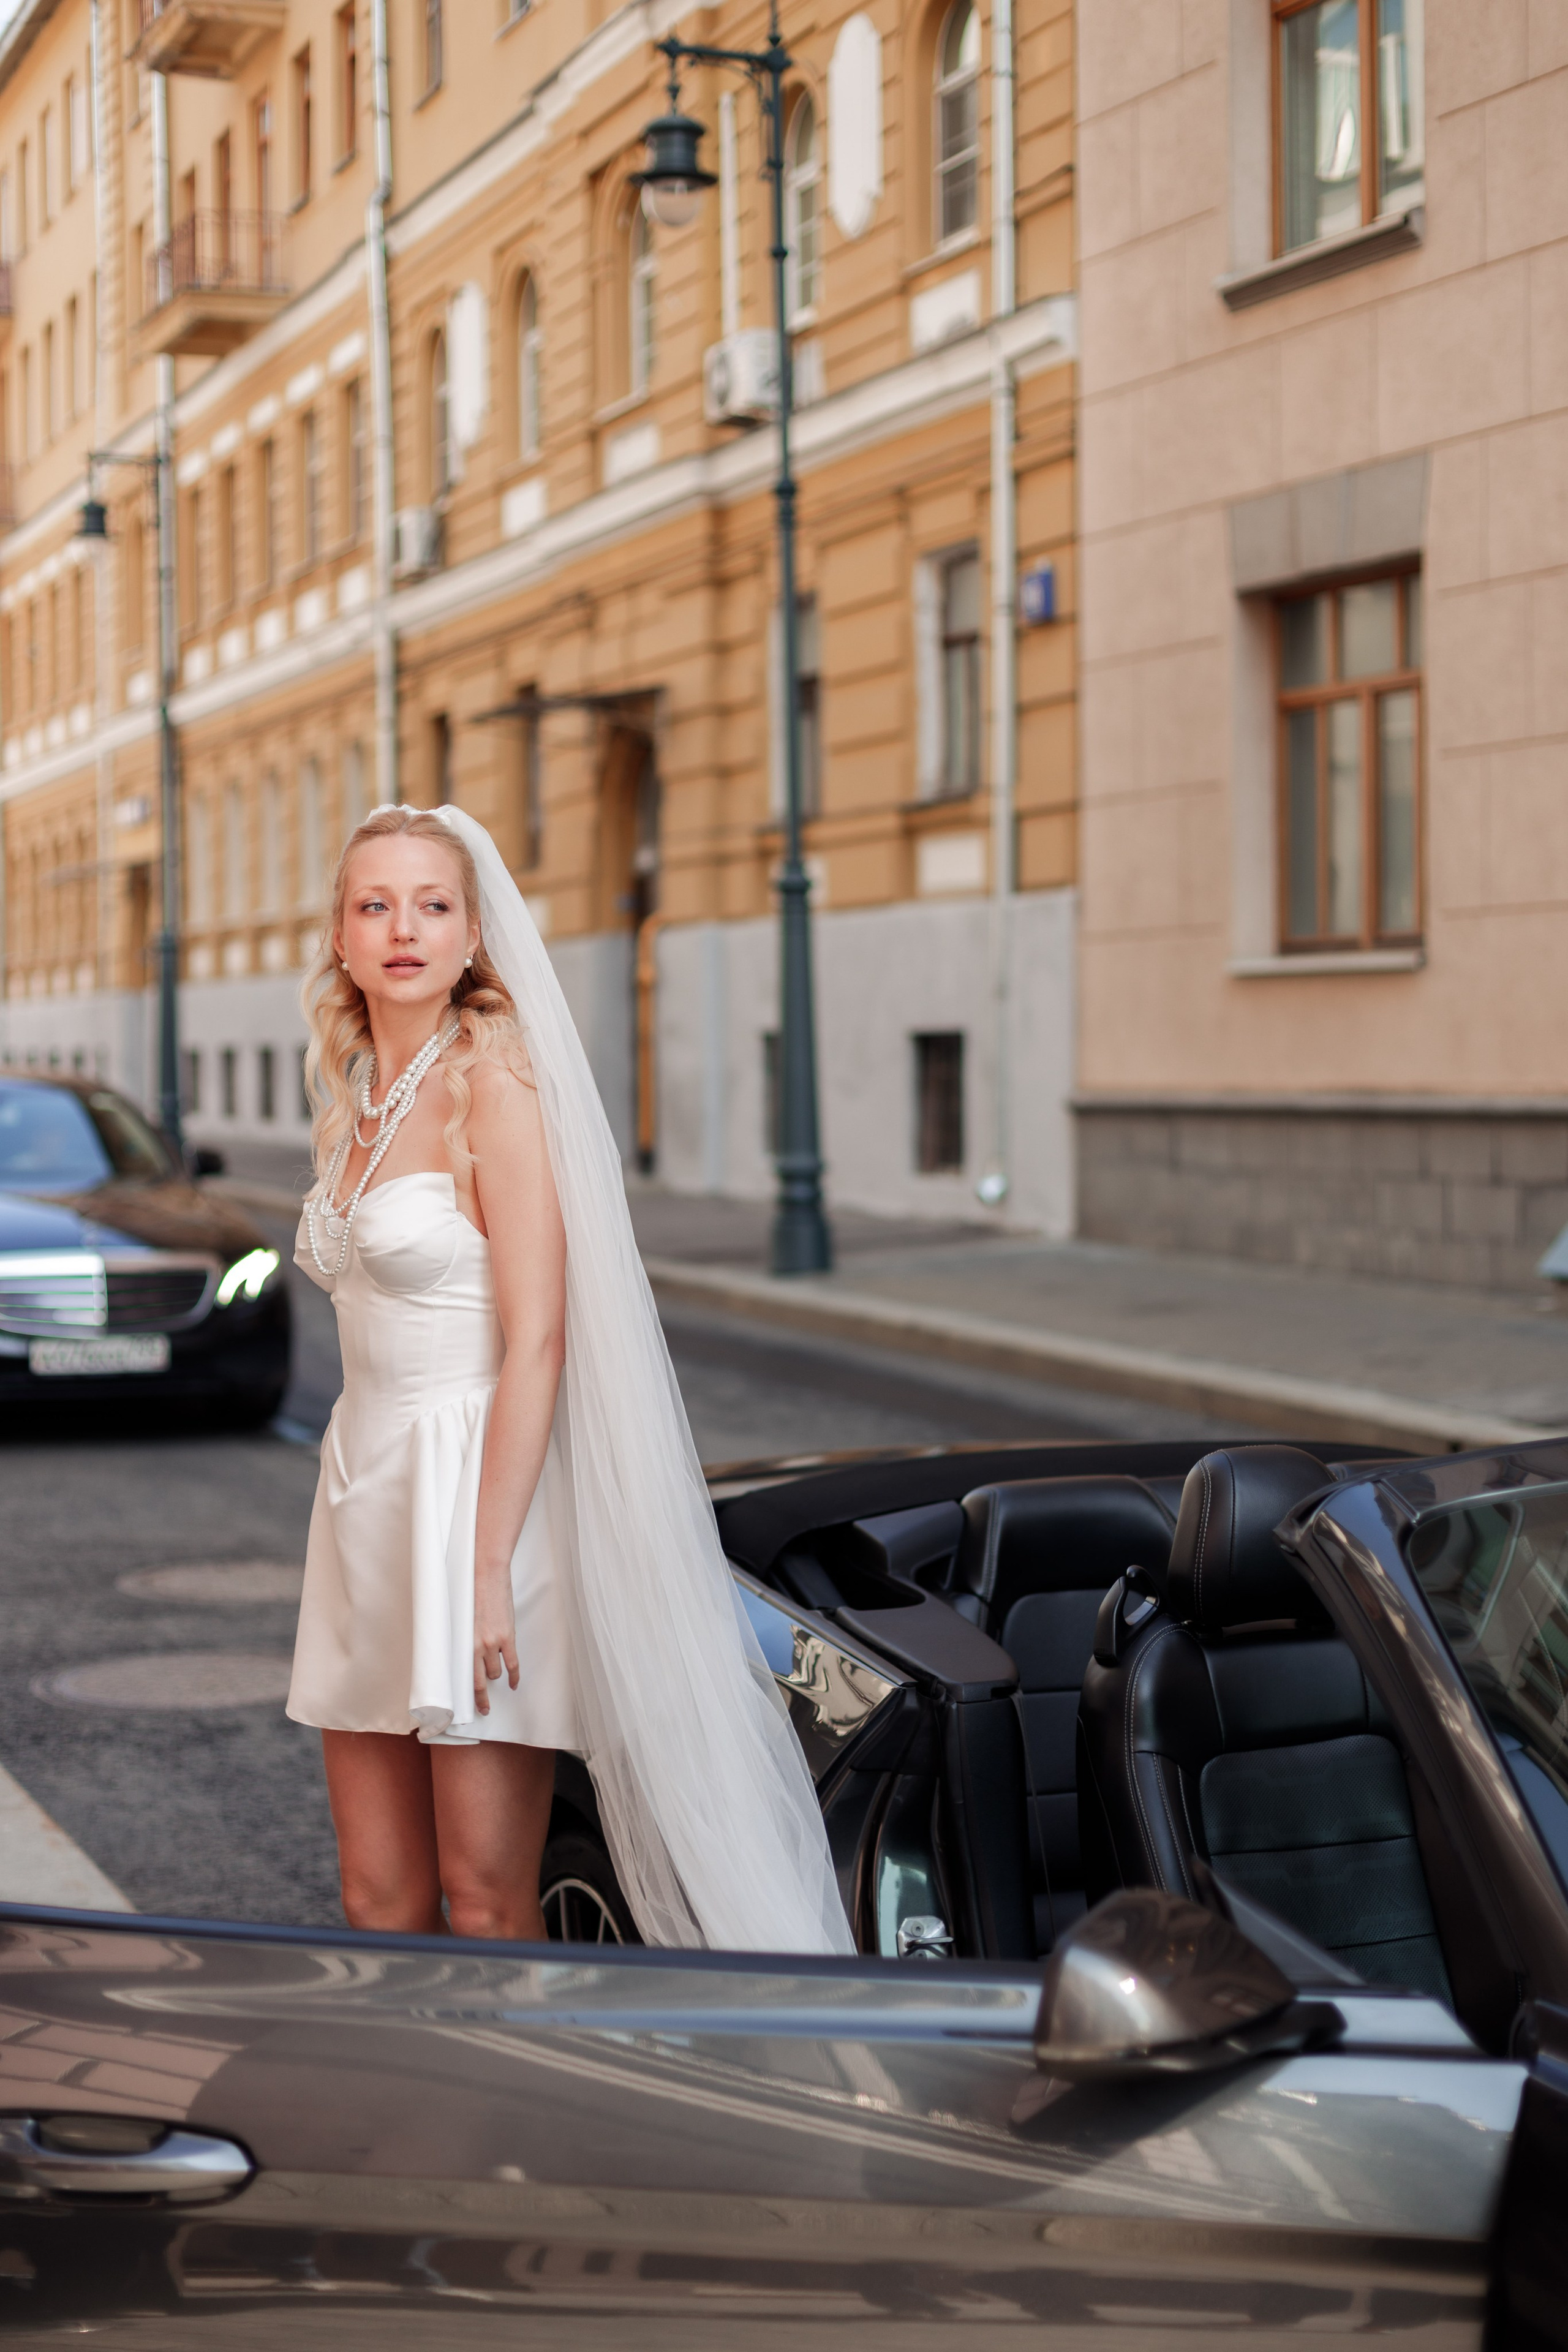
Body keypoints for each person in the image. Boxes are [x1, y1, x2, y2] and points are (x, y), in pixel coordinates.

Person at [289, 803, 853, 1956]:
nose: (404, 928)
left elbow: (538, 1339)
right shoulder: (347, 1109)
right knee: (376, 1899)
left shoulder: (495, 1089)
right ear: (342, 938)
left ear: (472, 934)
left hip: (479, 1500)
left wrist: (489, 1566)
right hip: (362, 1498)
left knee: (489, 1900)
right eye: (375, 904)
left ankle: (515, 2130)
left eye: (433, 905)